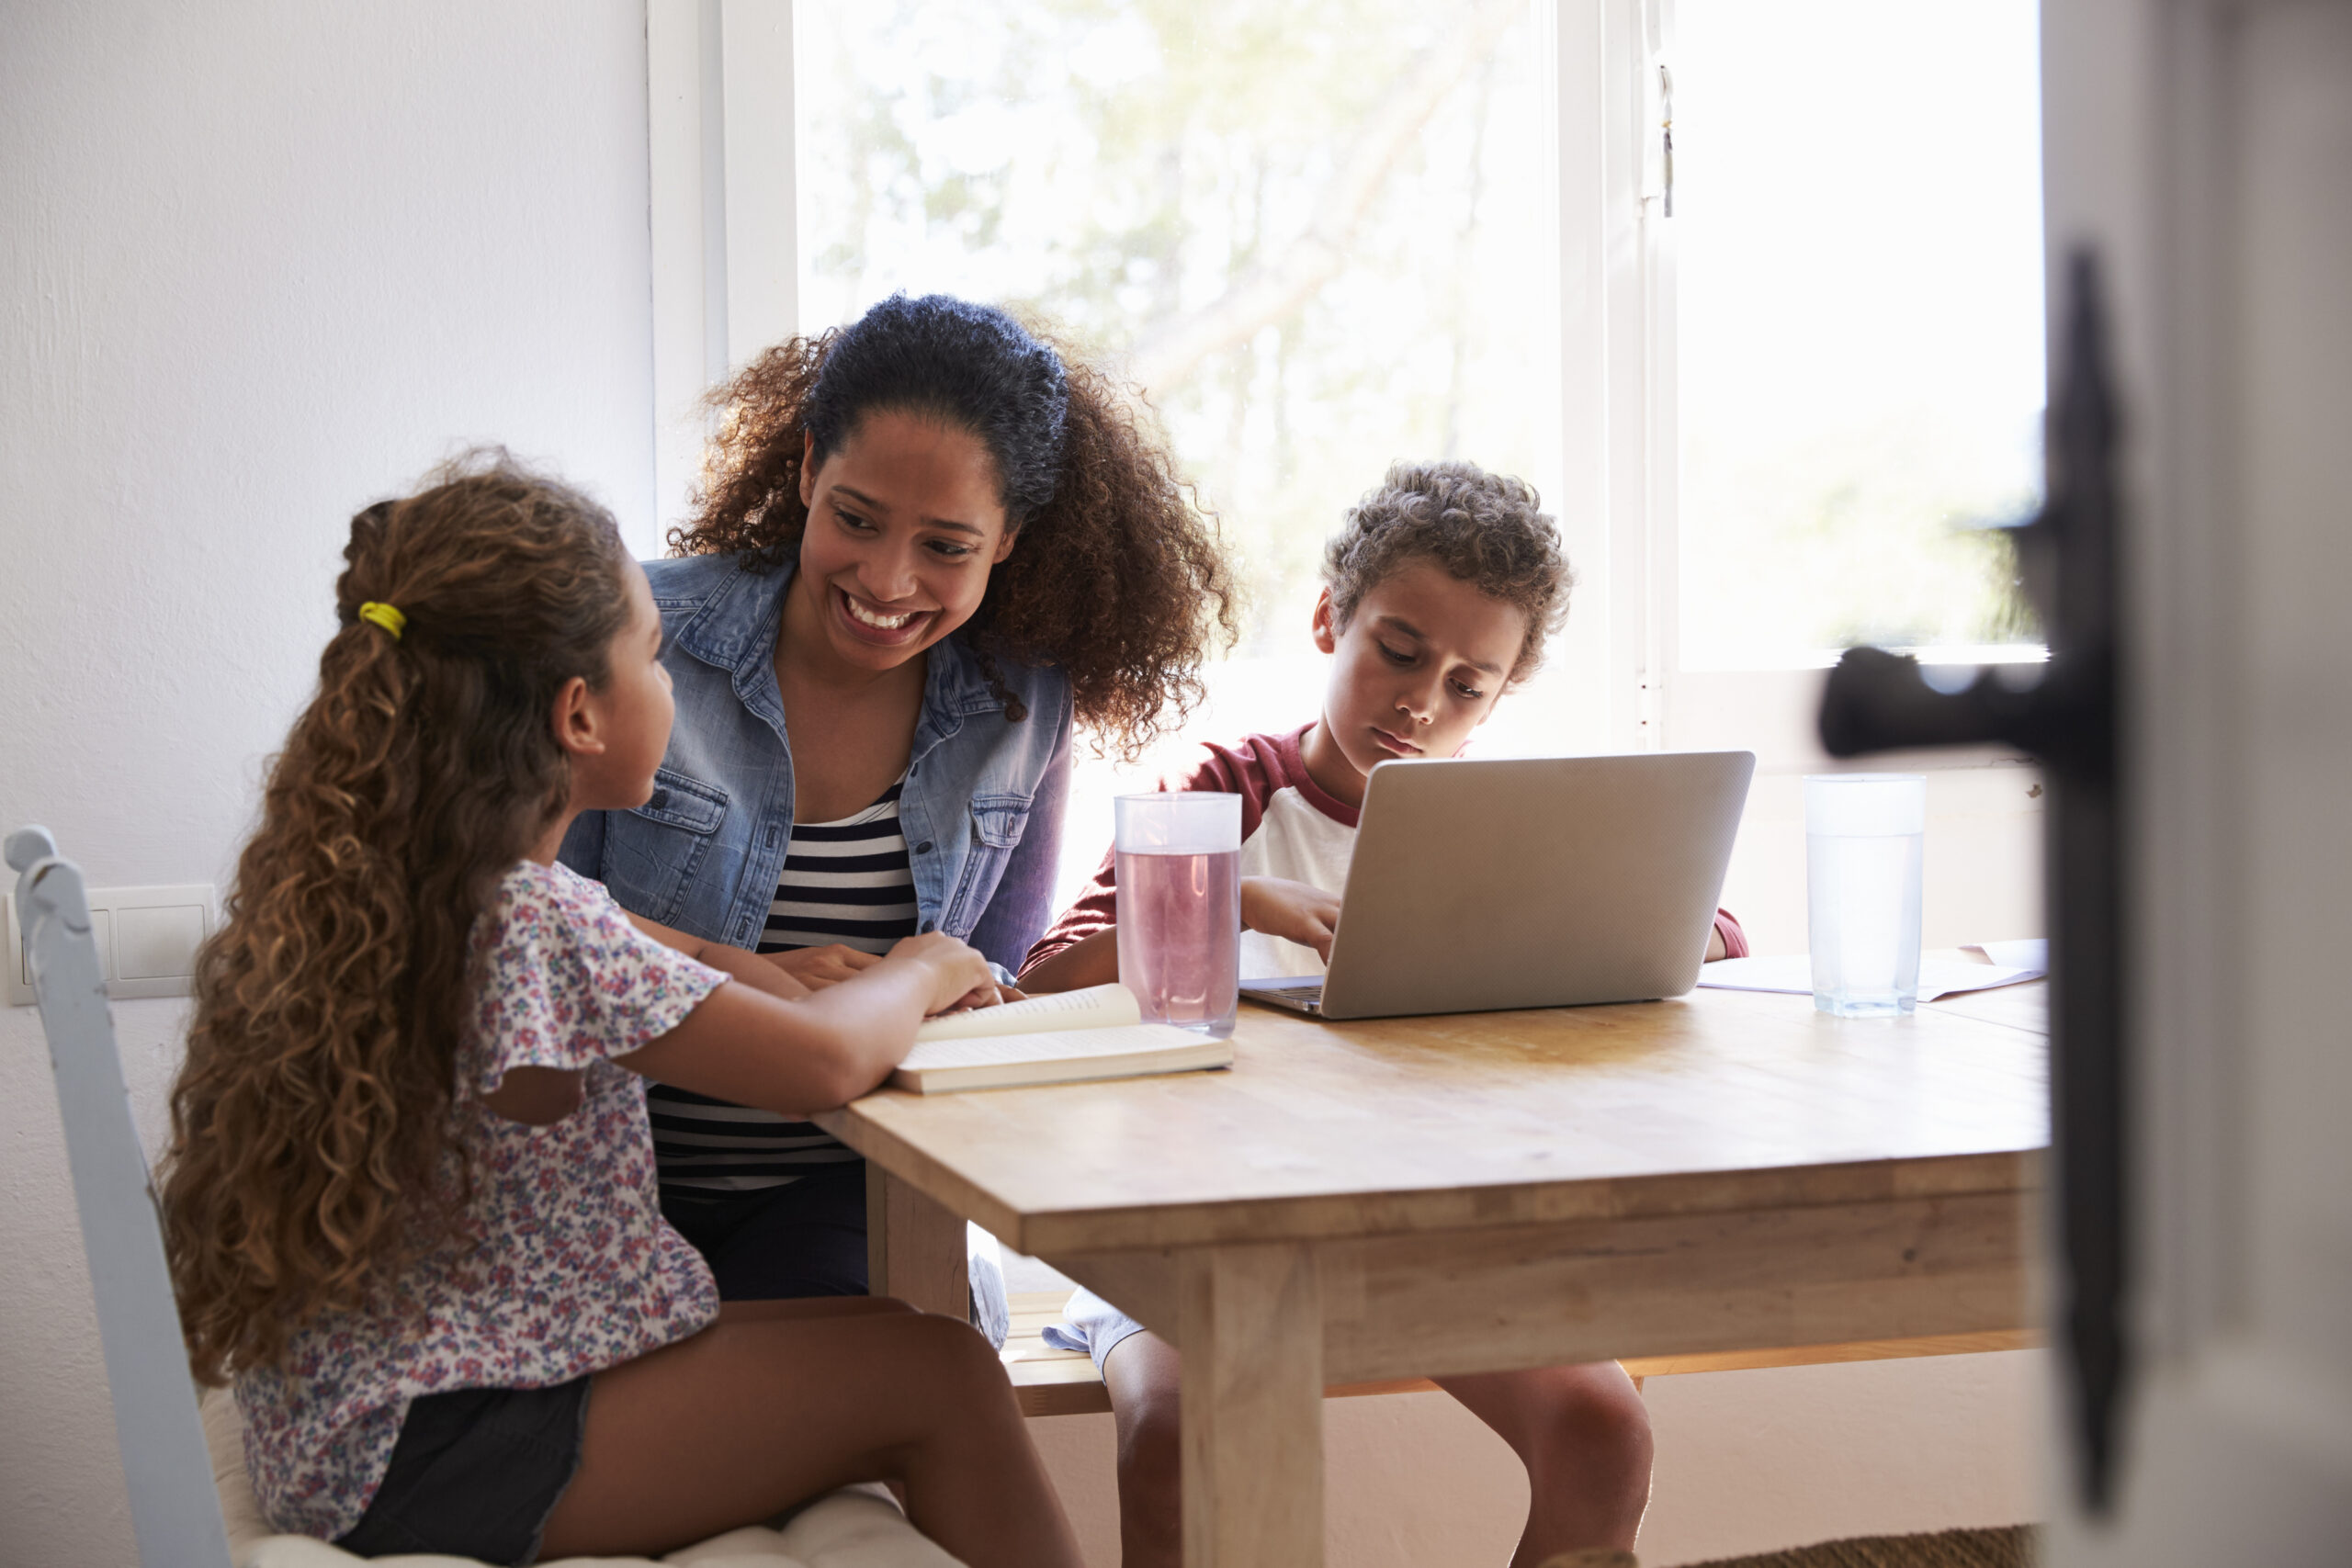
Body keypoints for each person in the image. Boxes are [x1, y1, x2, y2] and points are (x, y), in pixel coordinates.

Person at [159, 457, 1084, 1568]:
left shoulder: (419, 884)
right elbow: (821, 1068)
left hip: (368, 1426)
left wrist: (768, 969)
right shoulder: (533, 927)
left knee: (896, 1336)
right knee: (947, 1378)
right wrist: (928, 967)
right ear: (579, 715)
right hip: (447, 1451)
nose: (675, 685)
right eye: (654, 655)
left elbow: (674, 952)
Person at [1022, 461, 1749, 1568]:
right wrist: (1236, 898)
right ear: (1330, 620)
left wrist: (1590, 912)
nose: (1421, 702)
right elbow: (1048, 976)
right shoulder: (1223, 789)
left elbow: (1716, 931)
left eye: (1468, 684)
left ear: (1503, 695)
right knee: (1176, 1434)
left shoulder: (1505, 823)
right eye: (1399, 653)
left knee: (1602, 1431)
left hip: (1414, 1228)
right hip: (1186, 1224)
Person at [560, 293, 1233, 1303]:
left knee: (876, 1372)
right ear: (804, 470)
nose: (886, 579)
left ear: (1008, 538)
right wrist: (739, 976)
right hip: (597, 1185)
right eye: (856, 520)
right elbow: (516, 922)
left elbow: (986, 974)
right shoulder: (636, 637)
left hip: (845, 1192)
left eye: (946, 547)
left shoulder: (1022, 702)